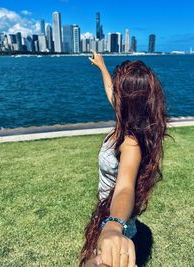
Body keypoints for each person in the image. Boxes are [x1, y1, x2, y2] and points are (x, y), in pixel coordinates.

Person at [78, 49, 170, 267]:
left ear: (126, 99)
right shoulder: (128, 118)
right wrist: (101, 65)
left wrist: (113, 226)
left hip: (115, 217)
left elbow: (125, 188)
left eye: (119, 91)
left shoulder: (130, 142)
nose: (114, 94)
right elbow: (110, 90)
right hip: (110, 212)